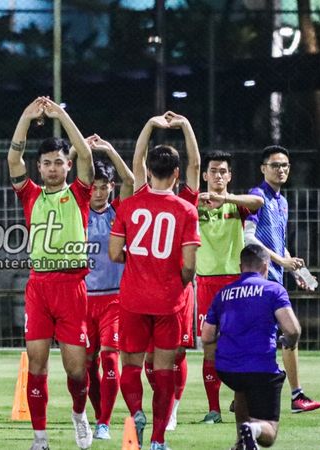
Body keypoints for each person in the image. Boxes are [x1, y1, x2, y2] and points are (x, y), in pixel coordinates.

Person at [7, 96, 95, 450]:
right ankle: (40, 438)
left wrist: (61, 114)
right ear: (40, 168)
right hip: (39, 287)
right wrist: (26, 117)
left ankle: (78, 414)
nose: (53, 168)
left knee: (76, 370)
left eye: (59, 162)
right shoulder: (30, 194)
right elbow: (13, 157)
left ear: (66, 166)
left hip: (73, 287)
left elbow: (87, 156)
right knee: (37, 364)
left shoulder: (80, 193)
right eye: (47, 163)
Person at [109, 129, 200, 450]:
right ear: (176, 173)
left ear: (147, 171)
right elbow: (189, 264)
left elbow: (114, 253)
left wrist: (148, 125)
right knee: (164, 369)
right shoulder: (186, 210)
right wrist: (178, 283)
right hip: (169, 300)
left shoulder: (128, 206)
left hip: (133, 298)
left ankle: (136, 412)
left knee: (130, 365)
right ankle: (159, 440)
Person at [131, 111, 200, 432]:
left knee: (171, 355)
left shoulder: (143, 197)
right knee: (162, 357)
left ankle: (169, 408)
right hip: (174, 293)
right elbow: (195, 166)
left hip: (147, 292)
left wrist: (149, 124)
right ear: (175, 173)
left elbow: (136, 160)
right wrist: (186, 125)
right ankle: (164, 408)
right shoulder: (184, 200)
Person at [201, 244, 301, 450]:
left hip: (227, 369)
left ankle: (241, 442)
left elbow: (207, 335)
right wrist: (288, 341)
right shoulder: (273, 290)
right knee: (269, 435)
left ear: (240, 266)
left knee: (242, 387)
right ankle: (253, 431)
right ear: (265, 266)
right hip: (261, 369)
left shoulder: (223, 293)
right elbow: (292, 329)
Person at [245, 145, 320, 413]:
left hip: (275, 279)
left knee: (268, 338)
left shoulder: (282, 201)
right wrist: (280, 262)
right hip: (260, 280)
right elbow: (249, 238)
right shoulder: (258, 196)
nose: (281, 170)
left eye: (285, 166)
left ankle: (246, 393)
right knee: (290, 332)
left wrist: (296, 270)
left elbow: (278, 244)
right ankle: (295, 395)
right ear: (263, 168)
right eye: (275, 165)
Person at [192, 150, 264, 425]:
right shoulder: (194, 205)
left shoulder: (236, 205)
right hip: (206, 283)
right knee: (209, 345)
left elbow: (258, 201)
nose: (218, 175)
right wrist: (196, 199)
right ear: (205, 175)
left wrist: (227, 197)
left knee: (236, 346)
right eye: (214, 171)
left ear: (229, 176)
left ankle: (241, 402)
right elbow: (173, 204)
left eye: (223, 171)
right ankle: (214, 410)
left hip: (235, 283)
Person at [82, 136, 134, 441]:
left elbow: (130, 178)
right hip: (82, 299)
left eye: (105, 187)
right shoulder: (77, 211)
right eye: (95, 187)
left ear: (111, 188)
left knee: (110, 357)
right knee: (85, 364)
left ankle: (104, 422)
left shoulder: (119, 212)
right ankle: (97, 414)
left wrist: (109, 149)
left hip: (114, 298)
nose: (100, 192)